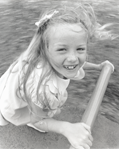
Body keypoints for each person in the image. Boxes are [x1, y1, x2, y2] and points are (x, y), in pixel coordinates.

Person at [0, 2, 115, 149]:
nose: (73, 58)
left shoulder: (55, 59)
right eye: (62, 49)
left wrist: (98, 67)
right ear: (45, 50)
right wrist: (66, 128)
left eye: (80, 48)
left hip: (18, 83)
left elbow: (78, 62)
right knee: (28, 114)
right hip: (16, 101)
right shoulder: (45, 89)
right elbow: (38, 119)